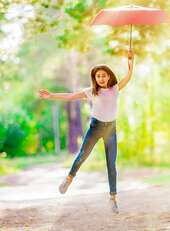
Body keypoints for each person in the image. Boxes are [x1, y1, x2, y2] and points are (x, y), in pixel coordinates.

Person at [38, 49, 134, 214]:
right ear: (95, 79)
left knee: (111, 164)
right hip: (96, 128)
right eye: (98, 76)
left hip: (111, 129)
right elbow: (71, 96)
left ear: (109, 76)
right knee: (83, 154)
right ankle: (69, 179)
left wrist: (131, 61)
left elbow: (128, 76)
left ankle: (113, 198)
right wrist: (51, 95)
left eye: (104, 75)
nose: (101, 78)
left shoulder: (115, 89)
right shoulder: (92, 92)